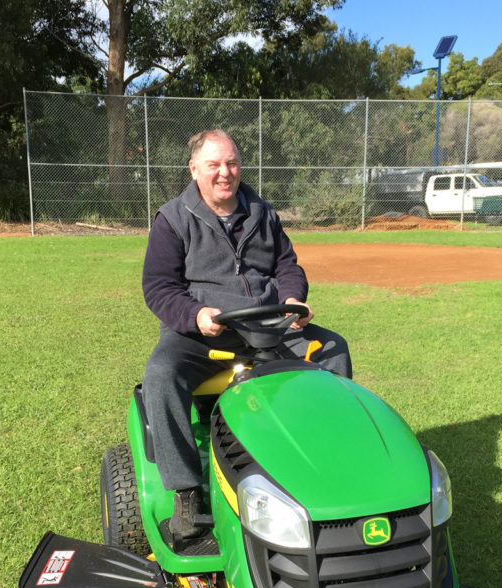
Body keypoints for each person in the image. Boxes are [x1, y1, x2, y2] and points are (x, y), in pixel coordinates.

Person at [141, 129, 352, 541]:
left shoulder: (262, 212)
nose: (225, 173)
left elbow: (287, 266)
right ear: (195, 169)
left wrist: (293, 300)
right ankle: (186, 490)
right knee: (161, 375)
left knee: (332, 349)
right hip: (203, 333)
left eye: (232, 163)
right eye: (215, 165)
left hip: (267, 325)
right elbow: (159, 288)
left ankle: (327, 464)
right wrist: (196, 314)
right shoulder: (172, 219)